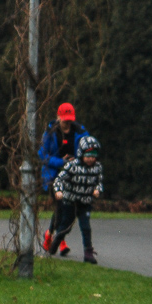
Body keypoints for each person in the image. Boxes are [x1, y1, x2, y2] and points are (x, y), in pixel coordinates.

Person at [38, 102, 90, 256]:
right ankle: (59, 240)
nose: (67, 122)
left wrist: (77, 160)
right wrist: (61, 162)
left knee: (67, 210)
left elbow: (88, 152)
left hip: (72, 177)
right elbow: (42, 155)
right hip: (53, 176)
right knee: (61, 208)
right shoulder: (49, 132)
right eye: (65, 119)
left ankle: (50, 234)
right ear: (58, 117)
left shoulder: (81, 132)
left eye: (70, 119)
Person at [44, 136, 103, 264]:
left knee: (86, 227)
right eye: (88, 155)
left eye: (93, 156)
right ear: (81, 154)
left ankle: (88, 252)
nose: (91, 159)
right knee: (66, 226)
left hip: (85, 202)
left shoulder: (97, 168)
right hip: (70, 201)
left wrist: (97, 189)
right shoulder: (73, 166)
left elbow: (98, 181)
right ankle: (55, 243)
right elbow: (59, 179)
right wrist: (59, 191)